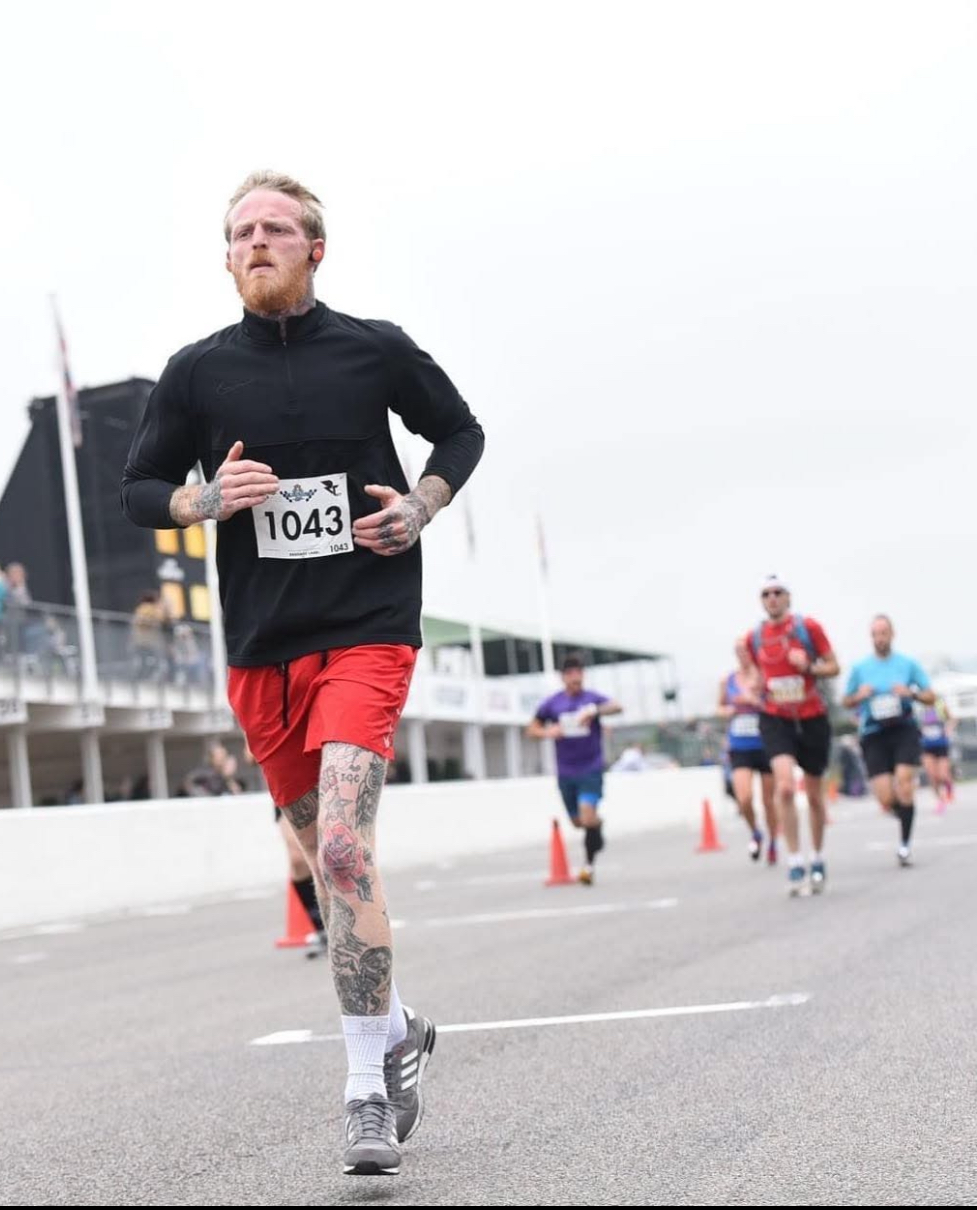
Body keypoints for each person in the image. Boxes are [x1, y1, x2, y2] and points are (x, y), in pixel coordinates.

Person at [121, 171, 483, 1177]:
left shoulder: (374, 348)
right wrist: (203, 500)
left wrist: (421, 506)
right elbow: (139, 489)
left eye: (276, 228)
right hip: (262, 649)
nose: (257, 242)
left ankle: (366, 1089)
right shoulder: (196, 373)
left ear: (314, 248)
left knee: (346, 844)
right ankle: (398, 1028)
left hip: (367, 626)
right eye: (241, 232)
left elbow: (460, 432)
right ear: (226, 257)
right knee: (321, 858)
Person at [742, 576, 839, 896]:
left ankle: (818, 857)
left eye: (777, 593)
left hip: (811, 717)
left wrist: (808, 667)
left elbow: (834, 666)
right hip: (775, 718)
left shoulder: (807, 628)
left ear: (788, 597)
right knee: (784, 787)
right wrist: (754, 685)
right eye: (766, 594)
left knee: (813, 795)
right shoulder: (754, 637)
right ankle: (795, 859)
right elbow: (754, 675)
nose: (772, 598)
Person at [842, 616, 934, 866]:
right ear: (871, 637)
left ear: (892, 634)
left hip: (903, 728)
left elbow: (930, 695)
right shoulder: (860, 668)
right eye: (875, 634)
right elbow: (846, 700)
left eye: (884, 633)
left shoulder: (907, 664)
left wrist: (910, 693)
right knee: (885, 796)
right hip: (874, 733)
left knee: (904, 782)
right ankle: (906, 813)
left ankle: (904, 845)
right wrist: (859, 696)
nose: (880, 638)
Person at [526, 656, 624, 885]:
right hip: (566, 771)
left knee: (587, 814)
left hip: (591, 768)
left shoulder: (591, 699)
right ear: (563, 677)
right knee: (579, 822)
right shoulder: (553, 704)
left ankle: (588, 868)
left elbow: (617, 706)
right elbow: (531, 729)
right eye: (570, 674)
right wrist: (547, 733)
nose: (575, 678)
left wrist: (594, 711)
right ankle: (597, 825)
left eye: (579, 673)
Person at [718, 646, 778, 864]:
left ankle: (773, 841)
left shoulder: (765, 677)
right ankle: (755, 832)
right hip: (739, 746)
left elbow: (777, 704)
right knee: (744, 798)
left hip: (765, 744)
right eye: (738, 651)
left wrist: (756, 701)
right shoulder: (728, 680)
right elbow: (719, 707)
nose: (743, 655)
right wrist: (730, 709)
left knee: (768, 801)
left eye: (746, 650)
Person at [917, 697, 954, 812]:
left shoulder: (940, 706)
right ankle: (940, 800)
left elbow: (952, 719)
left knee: (943, 775)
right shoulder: (918, 708)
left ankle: (949, 789)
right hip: (926, 746)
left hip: (941, 744)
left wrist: (948, 729)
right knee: (932, 776)